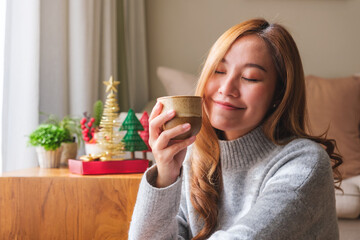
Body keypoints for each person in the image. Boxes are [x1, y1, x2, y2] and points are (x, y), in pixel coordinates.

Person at [128, 18, 342, 240]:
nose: (226, 89)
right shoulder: (192, 155)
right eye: (219, 71)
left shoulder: (305, 164)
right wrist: (165, 175)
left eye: (250, 77)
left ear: (279, 93)